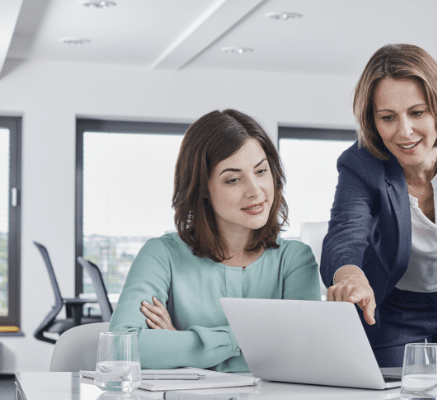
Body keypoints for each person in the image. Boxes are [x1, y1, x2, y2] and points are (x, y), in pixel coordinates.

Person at [320, 44, 437, 368]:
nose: (404, 131)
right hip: (394, 305)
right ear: (373, 121)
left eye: (417, 112)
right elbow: (344, 236)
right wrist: (351, 277)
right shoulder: (360, 162)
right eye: (387, 117)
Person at [109, 109, 320, 372]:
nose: (255, 191)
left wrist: (179, 346)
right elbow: (121, 350)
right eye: (233, 179)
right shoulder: (161, 255)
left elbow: (304, 357)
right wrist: (248, 340)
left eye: (261, 171)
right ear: (202, 188)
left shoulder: (296, 261)